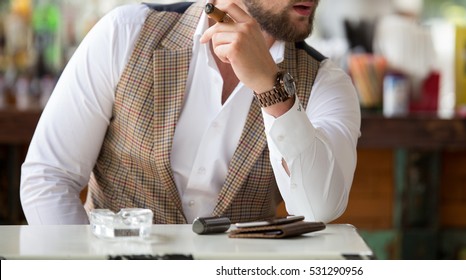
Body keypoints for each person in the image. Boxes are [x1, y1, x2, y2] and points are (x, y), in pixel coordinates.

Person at [20, 0, 361, 225]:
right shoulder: (126, 32)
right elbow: (49, 177)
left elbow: (318, 209)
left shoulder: (325, 81)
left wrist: (271, 88)